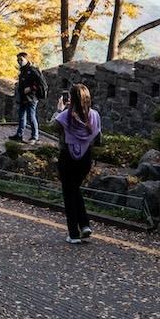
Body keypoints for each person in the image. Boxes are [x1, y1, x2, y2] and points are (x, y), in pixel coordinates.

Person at [54, 83, 101, 244]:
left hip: (67, 158)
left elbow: (53, 126)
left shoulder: (65, 116)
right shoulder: (95, 116)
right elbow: (98, 138)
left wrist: (60, 109)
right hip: (85, 159)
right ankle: (85, 225)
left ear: (72, 99)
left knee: (69, 194)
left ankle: (73, 234)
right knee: (74, 189)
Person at [9, 51, 45, 144]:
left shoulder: (33, 70)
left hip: (31, 98)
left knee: (31, 116)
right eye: (18, 60)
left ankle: (35, 137)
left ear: (26, 59)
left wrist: (31, 88)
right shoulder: (23, 70)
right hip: (23, 97)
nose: (19, 62)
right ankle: (19, 135)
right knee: (21, 117)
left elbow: (41, 84)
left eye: (21, 59)